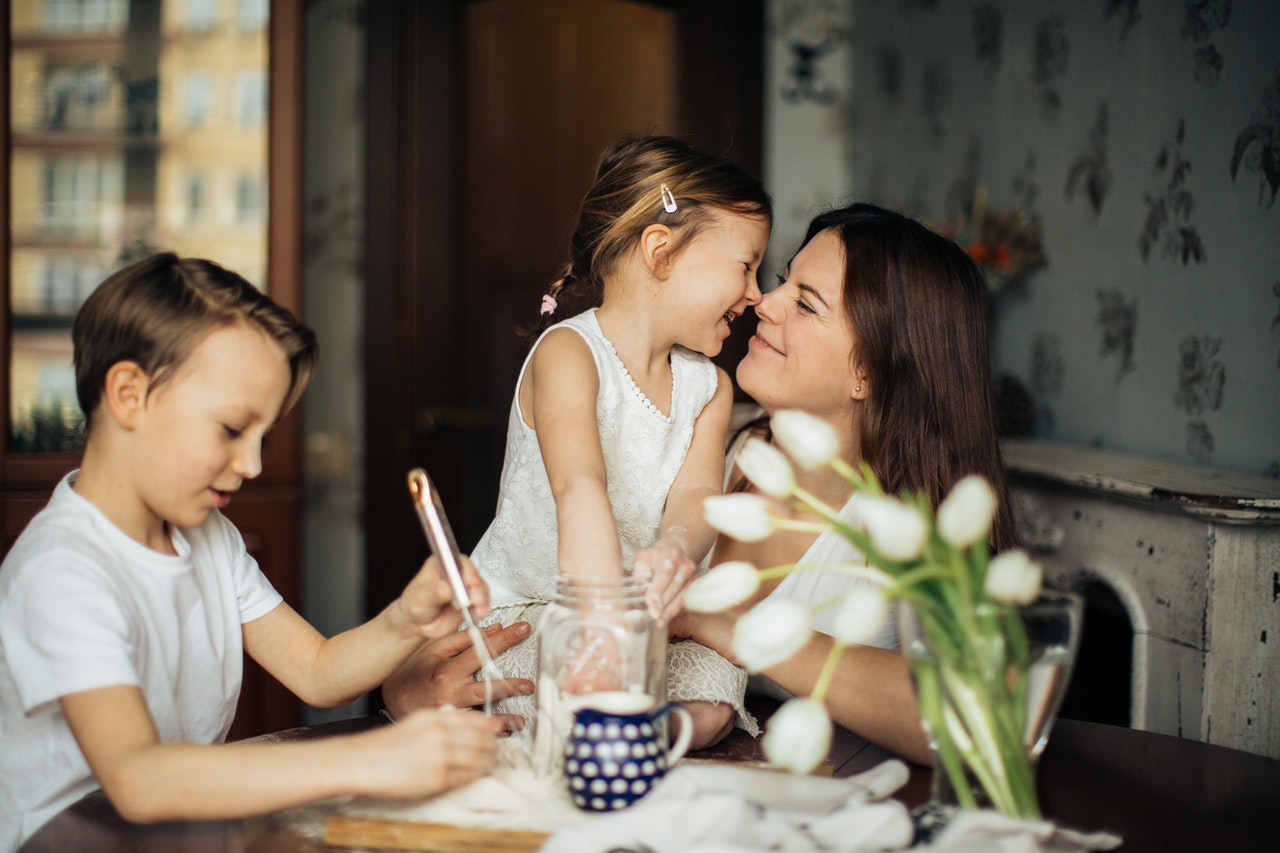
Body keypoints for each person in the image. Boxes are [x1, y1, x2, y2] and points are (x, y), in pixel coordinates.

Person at [0, 254, 503, 852]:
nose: (254, 464)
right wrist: (371, 758)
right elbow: (139, 779)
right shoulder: (62, 571)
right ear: (130, 394)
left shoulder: (207, 535)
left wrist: (404, 620)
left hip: (172, 832)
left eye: (263, 437)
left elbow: (317, 671)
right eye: (232, 429)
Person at [439, 134, 772, 749]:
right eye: (746, 265)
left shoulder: (708, 388)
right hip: (540, 611)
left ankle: (624, 732)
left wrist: (676, 549)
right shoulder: (569, 353)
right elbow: (579, 486)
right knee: (554, 680)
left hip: (645, 624)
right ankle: (601, 724)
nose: (755, 293)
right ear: (661, 250)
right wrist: (600, 628)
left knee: (716, 690)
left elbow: (698, 495)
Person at [671, 202, 1018, 765]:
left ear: (869, 372)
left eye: (806, 303)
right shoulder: (704, 441)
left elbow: (981, 719)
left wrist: (743, 629)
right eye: (785, 280)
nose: (764, 299)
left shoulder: (914, 531)